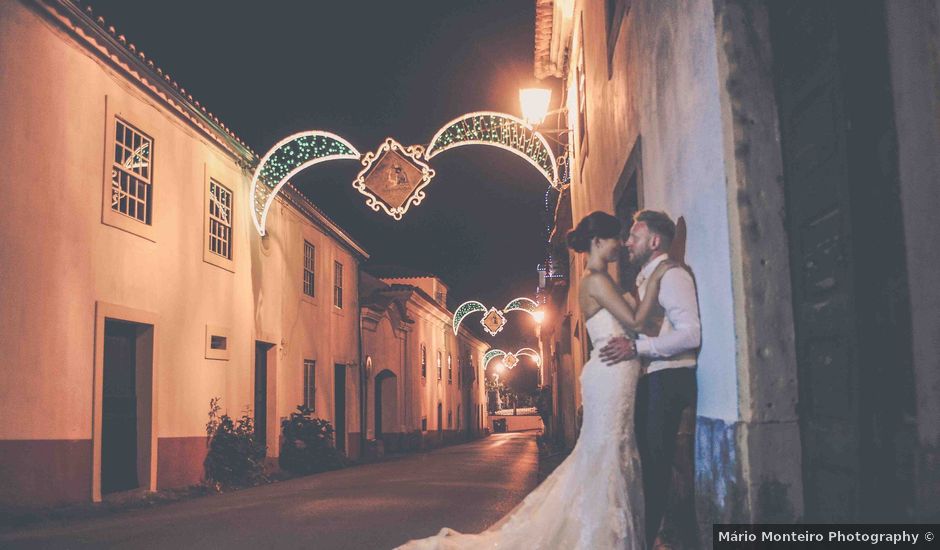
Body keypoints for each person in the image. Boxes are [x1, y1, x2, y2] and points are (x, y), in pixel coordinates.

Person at [397, 211, 673, 550]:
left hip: (617, 372)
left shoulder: (600, 280)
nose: (622, 243)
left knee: (609, 453)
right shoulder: (596, 281)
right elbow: (638, 321)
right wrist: (658, 274)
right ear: (599, 242)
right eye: (617, 237)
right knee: (607, 453)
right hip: (612, 375)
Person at [600, 210, 701, 550]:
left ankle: (644, 541)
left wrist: (637, 347)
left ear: (654, 241)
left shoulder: (672, 276)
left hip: (670, 378)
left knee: (654, 467)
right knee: (645, 466)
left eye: (635, 236)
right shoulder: (648, 278)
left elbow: (690, 334)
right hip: (653, 377)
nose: (628, 242)